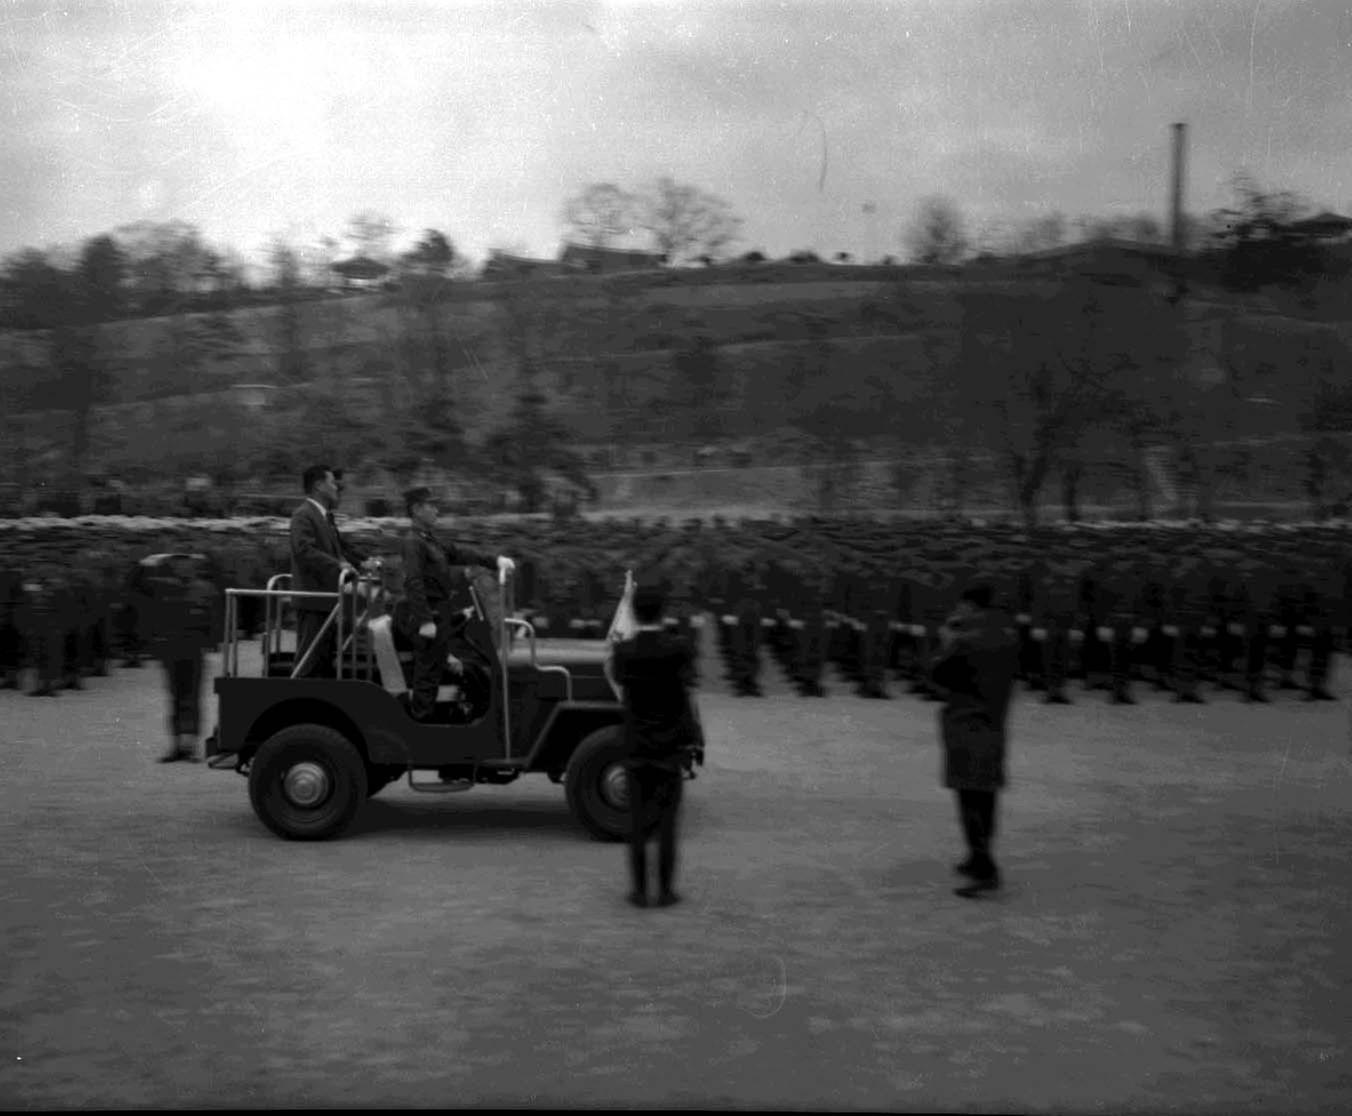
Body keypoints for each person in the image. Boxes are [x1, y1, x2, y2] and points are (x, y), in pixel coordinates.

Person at [607, 572, 699, 909]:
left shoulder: (624, 651)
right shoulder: (679, 648)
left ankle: (639, 891)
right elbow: (688, 678)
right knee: (667, 825)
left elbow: (617, 678)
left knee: (636, 824)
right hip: (670, 745)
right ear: (663, 611)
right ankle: (666, 892)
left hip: (636, 744)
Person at [929, 583, 1020, 899]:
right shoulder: (1008, 634)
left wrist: (946, 641)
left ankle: (985, 866)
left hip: (966, 720)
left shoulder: (965, 639)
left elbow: (938, 673)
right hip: (995, 720)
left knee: (968, 794)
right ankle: (977, 857)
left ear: (970, 605)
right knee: (987, 792)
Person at [398, 487, 515, 722]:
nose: (436, 510)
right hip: (429, 620)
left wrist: (495, 561)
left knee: (469, 666)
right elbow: (413, 581)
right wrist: (425, 620)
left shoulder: (430, 541)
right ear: (417, 510)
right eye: (431, 505)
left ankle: (472, 718)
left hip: (440, 616)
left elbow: (461, 553)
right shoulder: (413, 542)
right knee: (427, 680)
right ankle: (421, 733)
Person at [130, 552, 222, 763]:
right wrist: (144, 563)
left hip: (194, 649)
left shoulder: (205, 588)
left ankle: (190, 745)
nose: (183, 568)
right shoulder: (163, 586)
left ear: (194, 567)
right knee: (175, 698)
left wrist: (214, 644)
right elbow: (134, 588)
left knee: (192, 697)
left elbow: (215, 616)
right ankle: (176, 745)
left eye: (187, 564)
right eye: (179, 565)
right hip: (171, 648)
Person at [289, 465, 371, 678]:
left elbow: (341, 546)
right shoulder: (303, 515)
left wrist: (365, 561)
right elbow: (304, 550)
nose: (337, 487)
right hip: (313, 597)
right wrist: (339, 566)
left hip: (328, 599)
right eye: (332, 482)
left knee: (324, 661)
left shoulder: (325, 516)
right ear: (318, 485)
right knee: (309, 660)